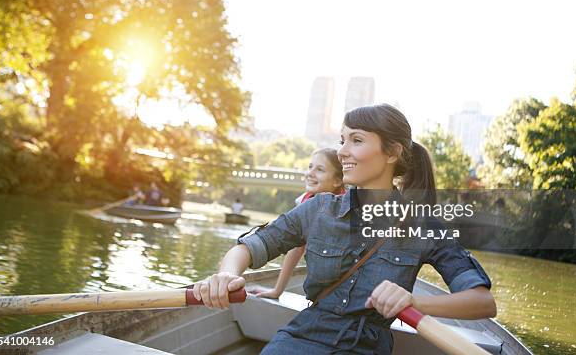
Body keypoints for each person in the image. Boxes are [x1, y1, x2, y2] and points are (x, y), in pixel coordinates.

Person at [192, 104, 496, 354]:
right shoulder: (317, 209)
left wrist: (414, 301)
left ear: (392, 153)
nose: (342, 152)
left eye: (357, 140)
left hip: (365, 348)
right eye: (342, 140)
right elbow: (249, 247)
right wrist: (228, 275)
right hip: (300, 340)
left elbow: (482, 303)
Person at [250, 148, 345, 299]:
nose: (310, 173)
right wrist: (277, 291)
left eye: (320, 169)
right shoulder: (304, 204)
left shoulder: (347, 210)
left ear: (338, 180)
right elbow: (295, 249)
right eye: (310, 167)